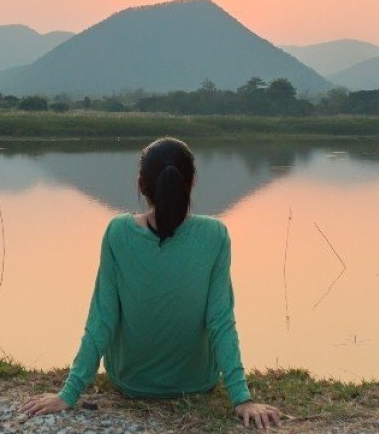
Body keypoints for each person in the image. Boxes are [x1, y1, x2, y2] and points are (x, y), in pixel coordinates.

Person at [19, 137, 283, 429]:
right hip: (196, 381)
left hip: (130, 381)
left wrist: (69, 393)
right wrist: (241, 398)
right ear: (192, 182)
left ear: (141, 185)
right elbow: (220, 320)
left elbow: (103, 317)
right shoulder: (215, 234)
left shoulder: (118, 232)